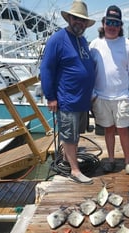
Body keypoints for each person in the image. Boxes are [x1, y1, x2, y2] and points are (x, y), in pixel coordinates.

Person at [40, 0, 95, 184]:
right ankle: (74, 170)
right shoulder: (57, 39)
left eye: (83, 20)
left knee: (75, 134)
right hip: (67, 99)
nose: (79, 22)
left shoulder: (82, 40)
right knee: (69, 136)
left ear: (86, 23)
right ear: (69, 18)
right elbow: (46, 69)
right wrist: (50, 97)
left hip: (82, 101)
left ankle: (67, 159)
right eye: (76, 18)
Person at [90, 5, 129, 175]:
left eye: (116, 23)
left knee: (124, 130)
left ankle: (127, 161)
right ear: (103, 23)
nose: (112, 26)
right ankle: (110, 160)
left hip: (122, 96)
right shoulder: (95, 44)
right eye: (109, 22)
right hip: (101, 97)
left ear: (120, 26)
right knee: (108, 130)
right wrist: (93, 95)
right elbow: (89, 72)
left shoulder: (126, 44)